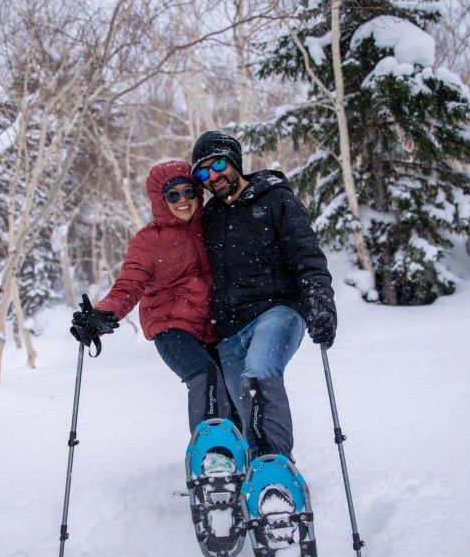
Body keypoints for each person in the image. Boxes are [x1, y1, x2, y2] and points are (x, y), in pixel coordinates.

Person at [191, 130, 337, 461]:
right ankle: (253, 473)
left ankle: (275, 467)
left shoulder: (275, 198)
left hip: (278, 312)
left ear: (233, 161)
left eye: (217, 165)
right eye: (203, 172)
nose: (213, 176)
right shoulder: (211, 217)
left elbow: (307, 257)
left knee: (258, 371)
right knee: (243, 407)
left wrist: (320, 305)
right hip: (229, 329)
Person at [69, 159, 232, 432]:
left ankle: (242, 446)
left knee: (237, 382)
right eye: (173, 194)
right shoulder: (148, 240)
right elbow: (128, 286)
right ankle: (211, 452)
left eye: (189, 192)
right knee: (206, 376)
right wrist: (102, 314)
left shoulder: (212, 225)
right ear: (160, 198)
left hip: (216, 325)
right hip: (172, 327)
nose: (183, 200)